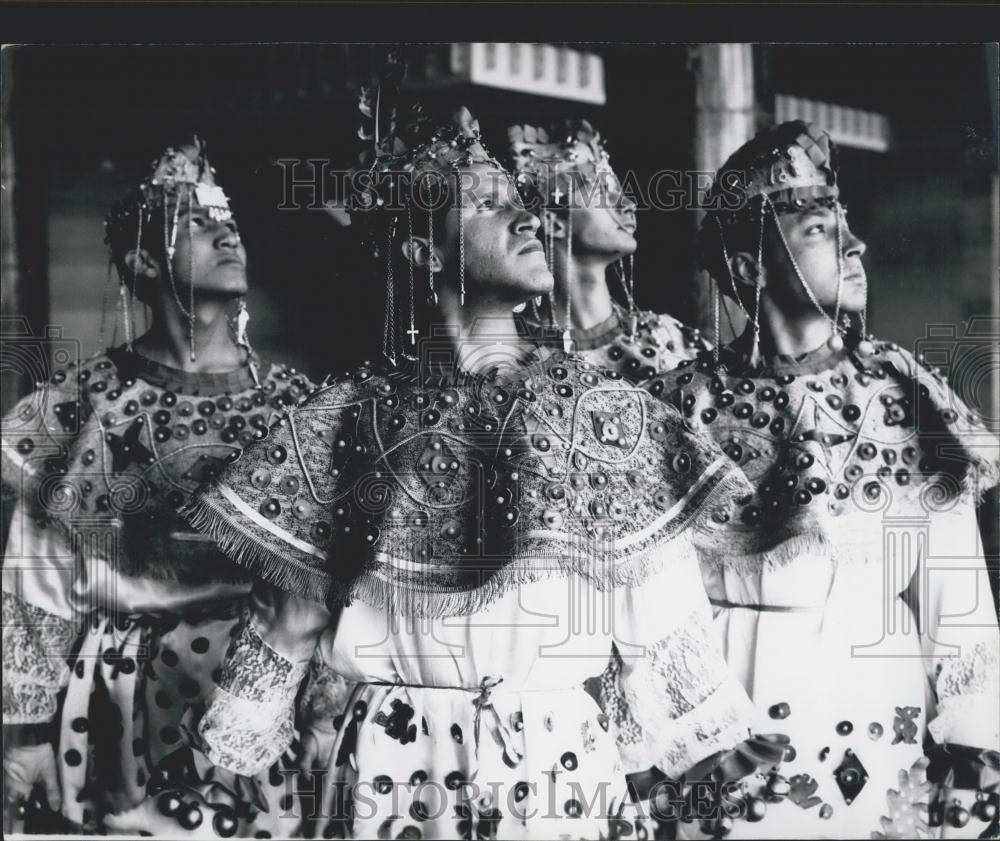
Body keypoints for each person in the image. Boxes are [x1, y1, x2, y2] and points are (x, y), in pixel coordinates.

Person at [179, 95, 757, 841]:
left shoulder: (603, 410)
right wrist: (248, 729)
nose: (526, 219)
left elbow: (664, 613)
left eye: (521, 201)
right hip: (390, 764)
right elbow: (289, 622)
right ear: (422, 250)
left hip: (552, 763)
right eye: (488, 204)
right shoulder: (351, 419)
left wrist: (700, 755)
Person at [645, 121, 1000, 839]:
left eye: (845, 224)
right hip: (732, 717)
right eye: (817, 228)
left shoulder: (902, 391)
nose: (856, 245)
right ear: (749, 267)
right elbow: (653, 603)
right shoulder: (682, 405)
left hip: (877, 709)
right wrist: (693, 740)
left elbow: (956, 600)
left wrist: (977, 752)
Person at [1, 138, 313, 836]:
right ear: (145, 260)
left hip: (255, 685)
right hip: (119, 691)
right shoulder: (83, 404)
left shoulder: (300, 408)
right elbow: (36, 585)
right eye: (198, 222)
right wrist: (23, 735)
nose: (227, 229)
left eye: (228, 217)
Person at [505, 119, 709, 382]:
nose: (628, 204)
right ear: (554, 221)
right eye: (603, 191)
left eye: (618, 190)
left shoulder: (671, 341)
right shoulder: (509, 360)